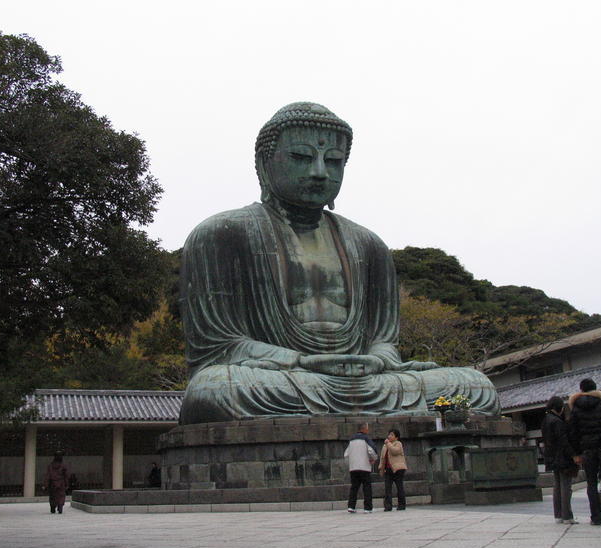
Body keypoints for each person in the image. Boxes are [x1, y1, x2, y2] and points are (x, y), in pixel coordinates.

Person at [177, 102, 499, 425]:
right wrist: (302, 361)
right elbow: (220, 348)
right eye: (302, 157)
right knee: (213, 389)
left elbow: (383, 342)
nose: (319, 172)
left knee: (473, 385)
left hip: (366, 381)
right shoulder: (221, 235)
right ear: (264, 163)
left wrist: (375, 361)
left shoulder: (369, 245)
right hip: (282, 378)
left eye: (333, 161)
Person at [568, 378, 601, 526]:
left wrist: (576, 453)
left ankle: (595, 517)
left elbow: (573, 433)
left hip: (587, 448)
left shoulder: (576, 409)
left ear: (581, 390)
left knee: (591, 483)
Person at [542, 396, 579, 524]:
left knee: (557, 486)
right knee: (565, 486)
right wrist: (573, 455)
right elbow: (563, 441)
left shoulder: (546, 420)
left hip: (551, 456)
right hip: (562, 457)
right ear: (559, 408)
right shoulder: (557, 422)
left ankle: (558, 514)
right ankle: (567, 515)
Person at [344, 423, 377, 513]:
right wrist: (373, 459)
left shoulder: (351, 440)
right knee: (366, 487)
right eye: (367, 428)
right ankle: (367, 507)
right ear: (364, 429)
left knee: (354, 487)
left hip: (353, 467)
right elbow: (372, 450)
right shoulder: (366, 438)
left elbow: (346, 454)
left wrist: (350, 464)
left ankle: (351, 506)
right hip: (364, 466)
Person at [378, 428, 407, 511]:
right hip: (388, 469)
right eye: (389, 434)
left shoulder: (398, 444)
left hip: (398, 469)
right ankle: (388, 506)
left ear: (396, 437)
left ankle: (401, 505)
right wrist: (381, 468)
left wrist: (388, 444)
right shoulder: (385, 446)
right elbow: (382, 458)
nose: (389, 436)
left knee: (399, 487)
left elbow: (395, 451)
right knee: (387, 488)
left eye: (392, 435)